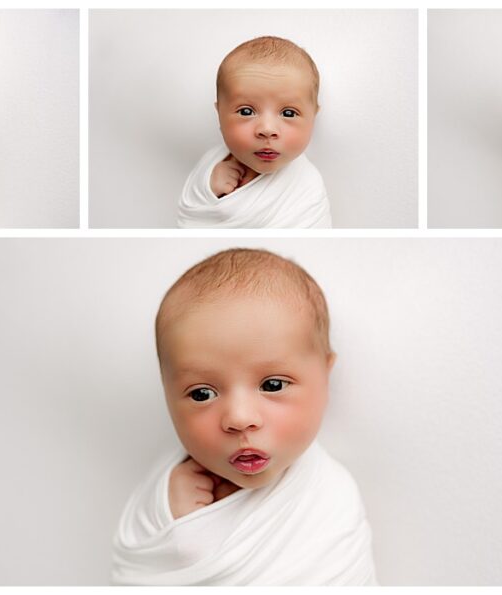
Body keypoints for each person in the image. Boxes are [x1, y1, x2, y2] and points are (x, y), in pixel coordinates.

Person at [112, 248, 374, 584]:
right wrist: (175, 529)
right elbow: (131, 574)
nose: (239, 418)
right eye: (202, 393)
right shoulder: (164, 498)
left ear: (325, 374)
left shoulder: (331, 499)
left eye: (273, 384)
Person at [177, 37, 332, 228]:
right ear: (219, 115)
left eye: (288, 113)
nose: (267, 130)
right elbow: (190, 218)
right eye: (246, 111)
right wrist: (207, 187)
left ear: (313, 117)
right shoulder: (211, 163)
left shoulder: (307, 186)